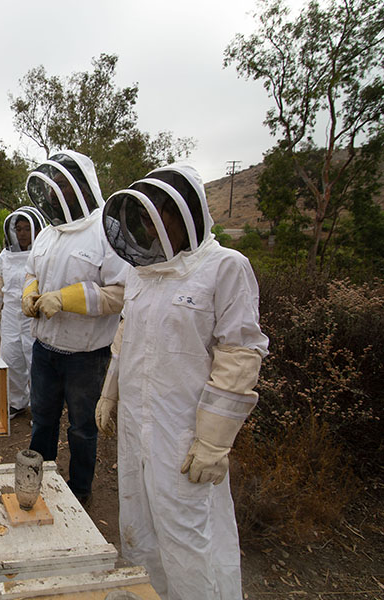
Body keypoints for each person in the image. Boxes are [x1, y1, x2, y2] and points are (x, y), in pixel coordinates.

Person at [96, 164, 269, 599]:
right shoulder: (141, 270)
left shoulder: (225, 268)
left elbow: (240, 355)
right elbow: (124, 334)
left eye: (166, 218)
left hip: (184, 440)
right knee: (138, 529)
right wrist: (109, 391)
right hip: (136, 428)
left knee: (189, 541)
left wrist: (213, 442)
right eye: (150, 219)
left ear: (187, 214)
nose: (157, 228)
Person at [21, 150, 130, 506]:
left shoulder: (107, 232)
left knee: (82, 429)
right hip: (45, 350)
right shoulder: (47, 234)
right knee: (42, 422)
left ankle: (80, 491)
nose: (55, 195)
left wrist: (67, 299)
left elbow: (121, 294)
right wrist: (30, 291)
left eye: (63, 186)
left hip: (87, 355)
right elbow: (32, 271)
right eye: (53, 188)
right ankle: (39, 484)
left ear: (81, 186)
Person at [0, 206, 47, 419]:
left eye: (26, 229)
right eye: (18, 229)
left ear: (35, 231)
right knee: (10, 359)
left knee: (36, 362)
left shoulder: (42, 254)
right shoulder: (5, 256)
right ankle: (16, 402)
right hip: (11, 315)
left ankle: (39, 409)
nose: (22, 233)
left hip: (34, 315)